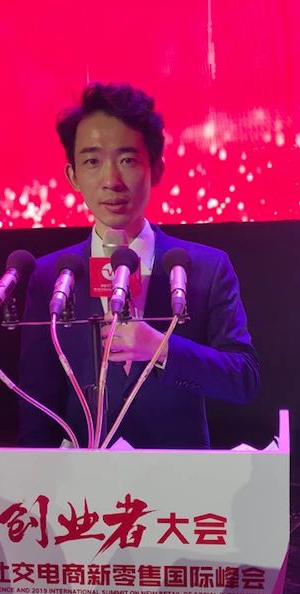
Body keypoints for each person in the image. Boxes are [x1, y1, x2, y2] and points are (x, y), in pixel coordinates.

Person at [19, 82, 259, 449]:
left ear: (156, 169)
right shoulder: (51, 275)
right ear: (73, 176)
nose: (111, 181)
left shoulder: (206, 269)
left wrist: (163, 348)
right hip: (83, 476)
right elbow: (36, 400)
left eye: (127, 160)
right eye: (92, 161)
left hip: (178, 474)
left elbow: (244, 379)